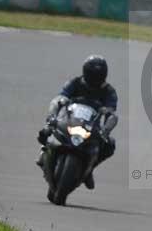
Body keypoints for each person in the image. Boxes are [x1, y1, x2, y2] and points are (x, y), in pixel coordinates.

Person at [36, 55, 118, 190]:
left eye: (98, 75)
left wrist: (105, 127)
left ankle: (90, 168)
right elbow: (61, 96)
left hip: (91, 126)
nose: (95, 78)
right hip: (69, 119)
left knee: (110, 145)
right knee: (47, 128)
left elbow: (112, 112)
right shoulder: (75, 82)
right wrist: (61, 102)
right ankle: (44, 151)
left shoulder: (109, 91)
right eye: (93, 74)